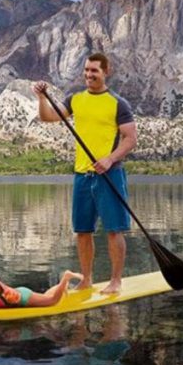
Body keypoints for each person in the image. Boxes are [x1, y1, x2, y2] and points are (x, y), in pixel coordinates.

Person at [33, 52, 138, 294]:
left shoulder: (117, 103)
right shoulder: (75, 99)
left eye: (95, 71)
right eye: (87, 70)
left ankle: (116, 281)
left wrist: (110, 159)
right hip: (82, 175)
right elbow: (47, 117)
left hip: (109, 175)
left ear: (105, 72)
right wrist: (41, 98)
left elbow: (130, 139)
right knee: (82, 231)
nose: (89, 75)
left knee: (114, 230)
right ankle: (87, 279)